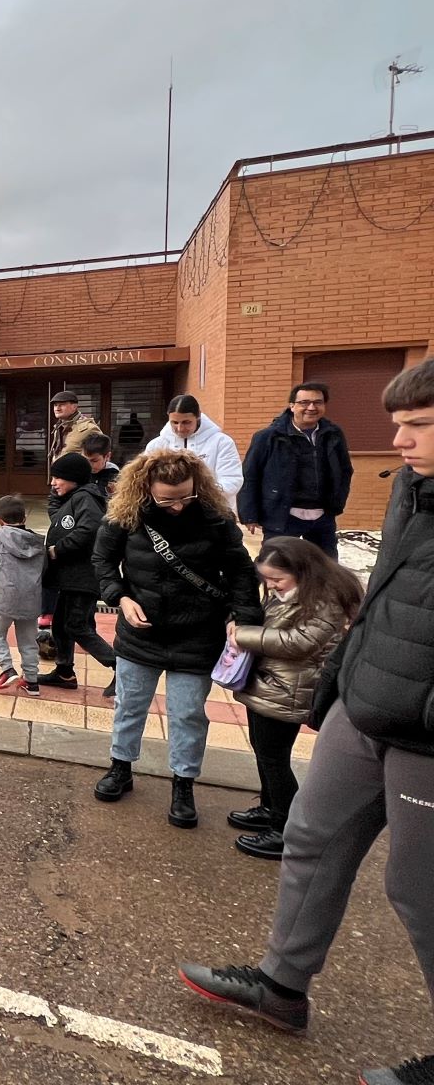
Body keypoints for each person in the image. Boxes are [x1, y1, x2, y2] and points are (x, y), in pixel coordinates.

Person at [178, 358, 434, 1085]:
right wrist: (343, 686)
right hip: (366, 704)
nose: (400, 440)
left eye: (419, 425)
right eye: (398, 424)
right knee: (310, 839)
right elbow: (381, 601)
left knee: (419, 891)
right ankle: (281, 987)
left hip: (424, 732)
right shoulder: (413, 489)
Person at [91, 448, 262, 827]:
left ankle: (183, 783)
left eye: (186, 496)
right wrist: (120, 597)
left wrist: (242, 617)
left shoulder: (215, 517)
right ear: (145, 488)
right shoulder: (126, 515)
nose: (179, 506)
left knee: (187, 714)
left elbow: (241, 572)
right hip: (141, 632)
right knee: (129, 705)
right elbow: (102, 561)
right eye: (167, 499)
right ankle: (121, 767)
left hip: (198, 633)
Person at [226, 537, 359, 860]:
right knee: (263, 750)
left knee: (275, 758)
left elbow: (298, 642)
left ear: (302, 571)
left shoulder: (324, 600)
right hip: (269, 685)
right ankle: (269, 808)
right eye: (266, 579)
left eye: (277, 579)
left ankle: (284, 829)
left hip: (291, 691)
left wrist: (242, 635)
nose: (271, 586)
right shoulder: (291, 592)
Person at [237, 381, 353, 559]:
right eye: (304, 402)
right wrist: (249, 514)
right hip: (282, 515)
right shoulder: (268, 437)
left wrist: (337, 502)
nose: (311, 407)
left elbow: (345, 470)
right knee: (275, 565)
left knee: (326, 568)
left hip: (322, 517)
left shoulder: (334, 434)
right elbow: (251, 475)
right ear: (292, 406)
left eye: (317, 402)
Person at [38, 452, 117, 696]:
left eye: (58, 478)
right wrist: (56, 494)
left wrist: (56, 550)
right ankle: (64, 672)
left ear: (74, 478)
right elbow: (59, 518)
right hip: (71, 578)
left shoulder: (86, 498)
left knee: (77, 626)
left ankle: (121, 667)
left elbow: (89, 529)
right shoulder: (74, 497)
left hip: (83, 578)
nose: (53, 483)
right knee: (61, 625)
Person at [0, 495, 45, 694]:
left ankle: (7, 669)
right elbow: (45, 570)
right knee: (29, 640)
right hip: (32, 598)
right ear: (24, 518)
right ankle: (32, 681)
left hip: (5, 597)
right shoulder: (38, 543)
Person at [143, 394, 243, 507]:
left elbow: (232, 481)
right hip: (168, 511)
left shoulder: (222, 442)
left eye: (186, 422)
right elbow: (145, 481)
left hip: (213, 509)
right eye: (175, 422)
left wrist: (193, 494)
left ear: (198, 416)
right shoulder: (156, 445)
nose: (180, 428)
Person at [50, 390, 102, 463]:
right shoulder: (59, 428)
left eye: (62, 405)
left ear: (74, 407)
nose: (57, 409)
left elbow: (100, 458)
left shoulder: (89, 428)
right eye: (55, 405)